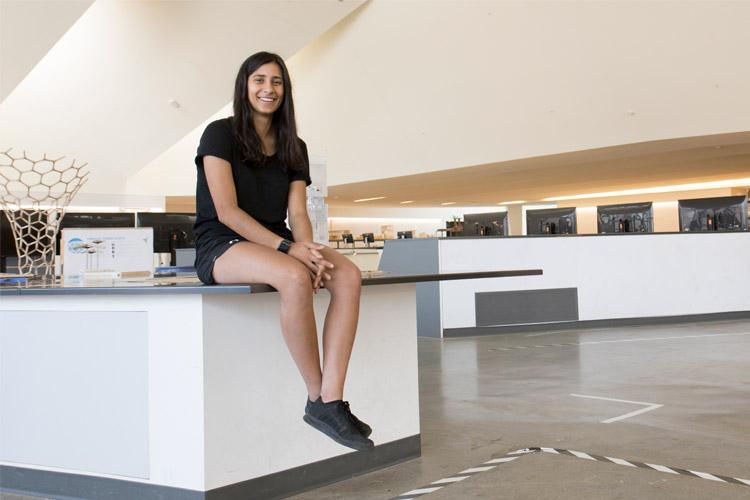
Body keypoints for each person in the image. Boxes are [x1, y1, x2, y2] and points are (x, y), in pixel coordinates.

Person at [193, 52, 373, 451]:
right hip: (221, 241)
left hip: (277, 239)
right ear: (245, 86)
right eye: (259, 80)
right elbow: (227, 210)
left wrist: (307, 248)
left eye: (276, 82)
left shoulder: (295, 145)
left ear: (284, 91)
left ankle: (333, 398)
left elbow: (297, 211)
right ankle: (316, 398)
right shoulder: (218, 134)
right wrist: (290, 251)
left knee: (347, 274)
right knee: (292, 276)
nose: (267, 89)